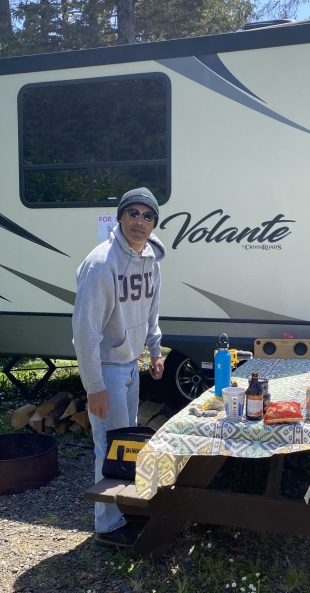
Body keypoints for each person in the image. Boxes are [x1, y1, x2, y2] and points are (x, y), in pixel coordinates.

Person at [72, 187, 166, 547]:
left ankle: (122, 506)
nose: (140, 221)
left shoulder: (151, 261)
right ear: (120, 216)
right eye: (133, 213)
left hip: (130, 365)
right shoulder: (101, 264)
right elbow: (85, 332)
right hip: (108, 369)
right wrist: (94, 384)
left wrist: (155, 350)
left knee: (126, 445)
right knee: (108, 447)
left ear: (154, 223)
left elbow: (151, 312)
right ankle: (107, 526)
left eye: (147, 215)